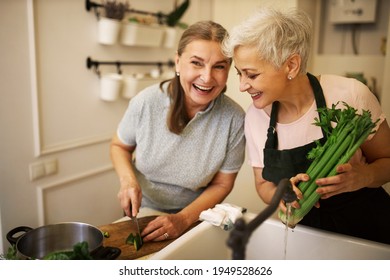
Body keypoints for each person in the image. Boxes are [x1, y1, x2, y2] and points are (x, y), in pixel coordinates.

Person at [222, 7, 390, 244]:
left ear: (291, 65)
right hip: (306, 239)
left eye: (251, 75)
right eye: (239, 74)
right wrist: (280, 194)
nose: (242, 86)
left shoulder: (351, 94)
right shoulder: (255, 117)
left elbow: (387, 160)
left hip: (369, 235)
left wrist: (364, 176)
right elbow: (262, 184)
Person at [110, 20, 245, 242]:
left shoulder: (234, 119)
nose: (207, 77)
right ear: (177, 62)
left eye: (219, 66)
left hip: (196, 217)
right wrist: (128, 181)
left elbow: (222, 183)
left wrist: (183, 219)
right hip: (142, 212)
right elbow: (119, 146)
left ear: (228, 69)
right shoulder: (146, 102)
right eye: (197, 63)